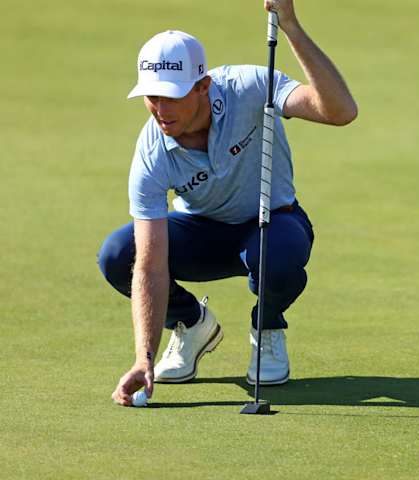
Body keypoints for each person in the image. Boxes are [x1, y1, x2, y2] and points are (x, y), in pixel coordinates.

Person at [98, 0, 357, 406]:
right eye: (151, 97)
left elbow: (340, 111)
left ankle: (267, 327)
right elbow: (150, 265)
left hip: (271, 223)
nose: (160, 111)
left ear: (203, 87)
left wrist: (289, 26)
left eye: (171, 97)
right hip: (199, 234)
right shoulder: (151, 152)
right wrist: (142, 357)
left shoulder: (249, 86)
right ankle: (190, 324)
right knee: (118, 254)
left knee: (278, 254)